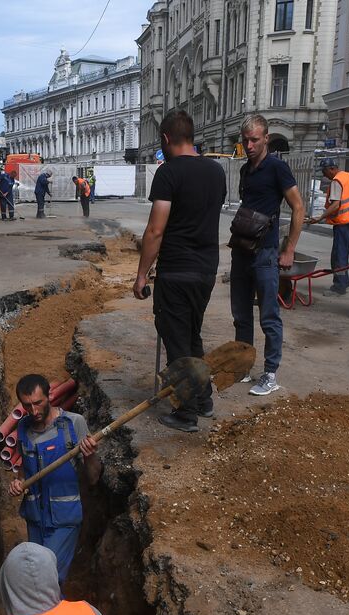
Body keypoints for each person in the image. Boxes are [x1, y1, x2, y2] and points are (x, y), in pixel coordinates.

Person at [135, 110, 226, 432]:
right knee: (192, 336)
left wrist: (142, 275)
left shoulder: (168, 173)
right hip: (206, 271)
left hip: (176, 272)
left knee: (176, 342)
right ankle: (204, 399)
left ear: (165, 139)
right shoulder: (217, 172)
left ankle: (186, 412)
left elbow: (155, 230)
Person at [230, 114, 305, 396]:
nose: (248, 145)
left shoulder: (277, 168)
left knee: (269, 316)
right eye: (245, 140)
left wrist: (289, 249)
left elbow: (298, 207)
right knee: (240, 313)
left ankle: (270, 373)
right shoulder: (245, 170)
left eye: (254, 140)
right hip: (242, 249)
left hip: (266, 252)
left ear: (266, 138)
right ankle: (243, 366)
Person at [7, 374, 101, 584]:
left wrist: (90, 454)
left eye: (38, 403)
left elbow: (94, 478)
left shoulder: (73, 424)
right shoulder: (23, 427)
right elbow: (24, 469)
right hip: (35, 520)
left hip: (63, 520)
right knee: (35, 579)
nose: (34, 411)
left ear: (49, 396)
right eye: (27, 406)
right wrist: (18, 482)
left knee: (47, 579)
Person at [306, 157, 349, 295]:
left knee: (338, 255)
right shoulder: (347, 175)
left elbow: (336, 205)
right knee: (343, 253)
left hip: (343, 222)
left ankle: (339, 286)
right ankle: (344, 282)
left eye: (324, 171)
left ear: (331, 169)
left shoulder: (336, 181)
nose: (324, 175)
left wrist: (320, 217)